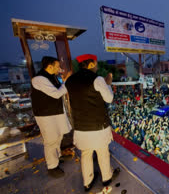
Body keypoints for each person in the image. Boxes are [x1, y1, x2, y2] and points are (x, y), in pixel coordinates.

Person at [65, 54, 119, 192]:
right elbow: (109, 99)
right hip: (97, 126)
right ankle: (106, 178)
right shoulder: (98, 79)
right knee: (102, 153)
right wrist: (108, 83)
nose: (97, 66)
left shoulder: (69, 80)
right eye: (96, 64)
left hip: (80, 127)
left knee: (86, 154)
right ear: (90, 64)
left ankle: (87, 182)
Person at [31, 56, 72, 178]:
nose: (59, 68)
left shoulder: (52, 77)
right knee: (50, 141)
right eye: (57, 66)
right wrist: (66, 82)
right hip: (46, 115)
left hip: (54, 113)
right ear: (50, 66)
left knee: (58, 137)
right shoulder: (39, 79)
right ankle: (52, 166)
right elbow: (57, 94)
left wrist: (64, 82)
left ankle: (58, 157)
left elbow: (60, 90)